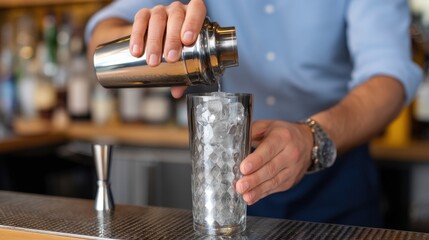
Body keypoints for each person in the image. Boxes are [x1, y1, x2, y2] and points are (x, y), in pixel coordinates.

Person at [85, 0, 422, 227]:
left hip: (335, 177)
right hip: (236, 179)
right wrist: (151, 39)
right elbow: (101, 32)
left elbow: (389, 76)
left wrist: (312, 138)